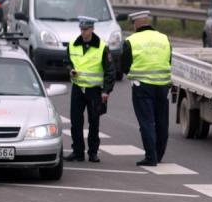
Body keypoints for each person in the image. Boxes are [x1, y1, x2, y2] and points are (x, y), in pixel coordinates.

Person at [121, 10, 172, 167]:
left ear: (136, 23)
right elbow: (169, 60)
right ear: (148, 22)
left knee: (147, 122)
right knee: (161, 121)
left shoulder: (131, 40)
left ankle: (151, 157)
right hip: (163, 86)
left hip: (142, 86)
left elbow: (124, 66)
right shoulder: (164, 39)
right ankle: (159, 154)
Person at [63, 16, 115, 163]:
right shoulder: (73, 44)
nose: (83, 32)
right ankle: (77, 152)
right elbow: (67, 61)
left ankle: (93, 152)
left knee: (94, 122)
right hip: (78, 88)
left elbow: (110, 71)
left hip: (94, 90)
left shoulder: (102, 47)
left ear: (92, 29)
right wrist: (70, 69)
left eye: (86, 29)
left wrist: (106, 91)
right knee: (76, 122)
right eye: (81, 29)